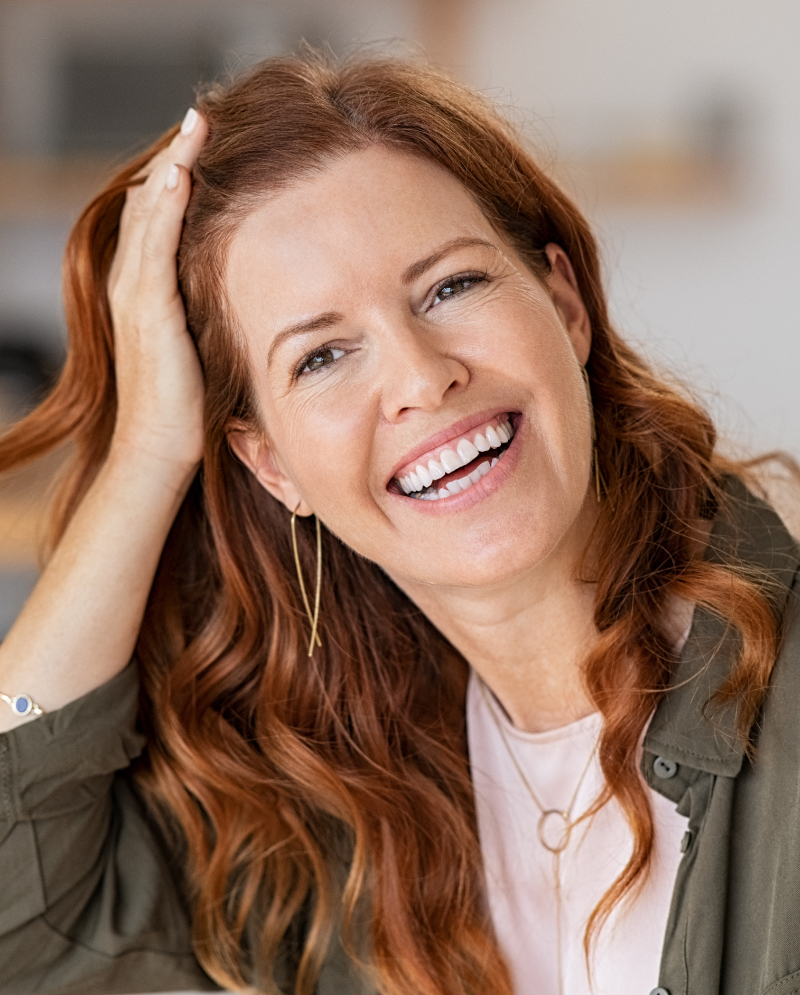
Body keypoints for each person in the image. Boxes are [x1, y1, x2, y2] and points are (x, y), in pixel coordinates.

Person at [0, 53, 798, 995]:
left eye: (451, 288)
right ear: (272, 464)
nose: (422, 379)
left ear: (566, 305)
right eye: (323, 355)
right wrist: (147, 453)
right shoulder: (335, 815)